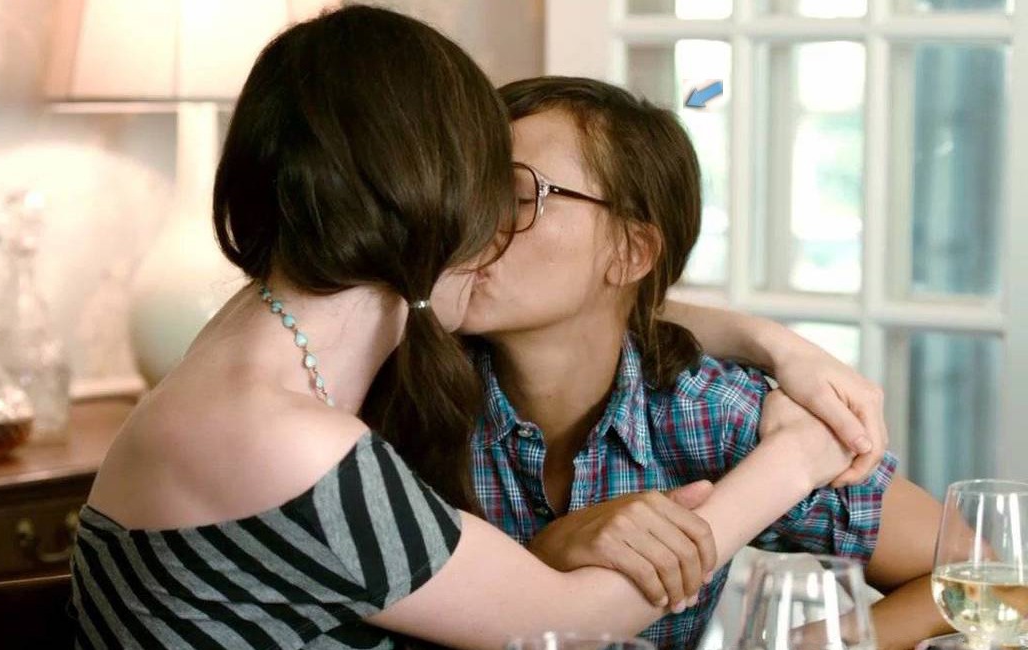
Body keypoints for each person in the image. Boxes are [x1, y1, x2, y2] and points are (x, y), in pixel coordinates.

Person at [71, 7, 896, 649]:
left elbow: (591, 307)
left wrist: (767, 341)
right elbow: (569, 622)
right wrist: (797, 457)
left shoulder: (258, 339)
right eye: (492, 180)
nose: (500, 214)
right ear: (427, 187)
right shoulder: (286, 441)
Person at [458, 76, 952, 650]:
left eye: (518, 194)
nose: (468, 222)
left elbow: (981, 573)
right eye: (467, 191)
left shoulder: (705, 411)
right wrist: (548, 553)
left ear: (631, 252)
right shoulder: (400, 398)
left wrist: (816, 644)